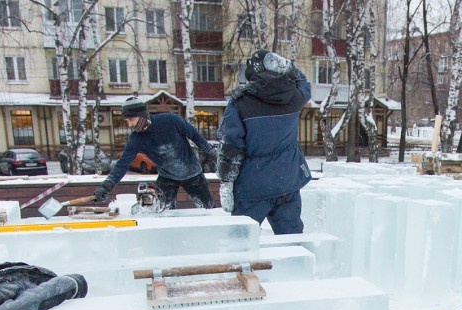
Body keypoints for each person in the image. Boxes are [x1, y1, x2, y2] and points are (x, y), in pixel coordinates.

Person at [216, 50, 312, 234]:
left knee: (241, 241)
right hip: (287, 183)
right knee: (292, 241)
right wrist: (289, 67)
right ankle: (295, 264)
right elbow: (304, 83)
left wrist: (226, 182)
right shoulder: (294, 96)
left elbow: (230, 147)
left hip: (252, 186)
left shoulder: (240, 103)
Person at [92, 97, 218, 210]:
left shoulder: (171, 121)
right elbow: (122, 165)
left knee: (208, 209)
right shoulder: (136, 139)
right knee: (162, 211)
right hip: (167, 177)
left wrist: (212, 153)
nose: (129, 124)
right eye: (127, 121)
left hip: (192, 173)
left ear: (142, 115)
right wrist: (106, 186)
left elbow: (195, 136)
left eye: (131, 119)